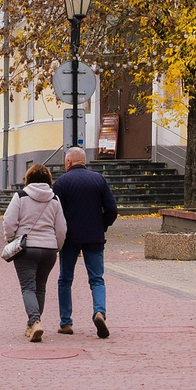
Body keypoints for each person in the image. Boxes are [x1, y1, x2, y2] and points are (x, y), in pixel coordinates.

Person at [52, 145, 119, 338]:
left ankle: (66, 322)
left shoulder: (61, 182)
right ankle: (99, 312)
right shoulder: (98, 179)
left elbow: (56, 213)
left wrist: (58, 234)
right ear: (84, 161)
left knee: (65, 279)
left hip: (69, 238)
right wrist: (102, 225)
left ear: (68, 162)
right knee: (97, 279)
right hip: (94, 236)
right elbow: (112, 209)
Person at [0, 163, 67, 341]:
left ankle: (35, 321)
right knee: (40, 287)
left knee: (28, 287)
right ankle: (32, 324)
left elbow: (9, 221)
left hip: (26, 249)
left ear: (28, 178)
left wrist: (11, 239)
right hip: (49, 249)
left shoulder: (20, 196)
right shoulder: (54, 199)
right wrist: (57, 246)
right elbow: (61, 228)